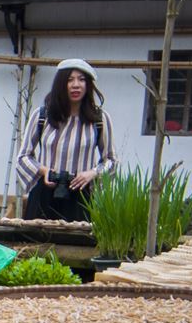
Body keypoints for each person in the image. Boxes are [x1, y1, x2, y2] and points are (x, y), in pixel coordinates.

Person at [15, 57, 116, 221]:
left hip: (81, 197)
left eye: (82, 80)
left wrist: (92, 173)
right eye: (70, 80)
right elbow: (23, 157)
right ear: (61, 84)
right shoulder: (42, 116)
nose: (76, 85)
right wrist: (44, 171)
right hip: (45, 195)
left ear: (88, 85)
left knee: (77, 244)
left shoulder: (100, 119)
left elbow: (111, 161)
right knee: (36, 243)